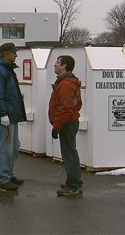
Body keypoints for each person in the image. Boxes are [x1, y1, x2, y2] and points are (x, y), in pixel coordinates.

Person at [0, 42, 27, 191]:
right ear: (6, 54)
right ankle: (3, 178)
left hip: (12, 115)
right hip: (7, 116)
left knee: (13, 149)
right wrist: (3, 113)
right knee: (6, 148)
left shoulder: (7, 69)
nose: (16, 55)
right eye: (14, 53)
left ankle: (9, 174)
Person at [48, 55, 83, 196]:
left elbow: (65, 108)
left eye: (57, 63)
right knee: (70, 153)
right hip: (67, 122)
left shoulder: (66, 84)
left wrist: (56, 126)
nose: (55, 65)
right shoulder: (64, 82)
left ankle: (73, 185)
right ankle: (73, 182)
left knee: (69, 154)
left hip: (67, 123)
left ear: (64, 66)